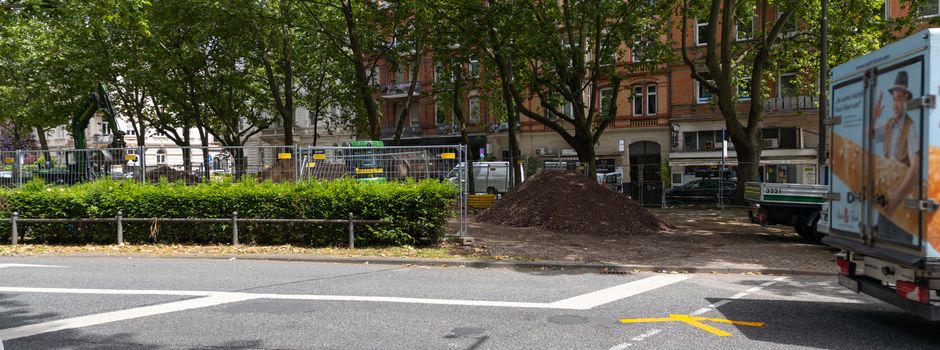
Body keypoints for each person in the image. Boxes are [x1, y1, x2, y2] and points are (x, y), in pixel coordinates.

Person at [871, 70, 920, 241]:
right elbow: (869, 135)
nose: (896, 104)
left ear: (906, 99)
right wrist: (874, 117)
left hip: (901, 204)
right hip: (885, 200)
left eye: (899, 98)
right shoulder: (889, 124)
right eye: (894, 98)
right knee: (883, 246)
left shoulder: (911, 127)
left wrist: (896, 199)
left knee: (901, 246)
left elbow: (915, 168)